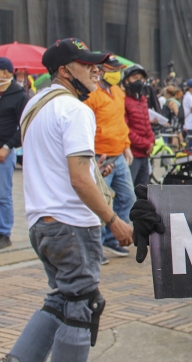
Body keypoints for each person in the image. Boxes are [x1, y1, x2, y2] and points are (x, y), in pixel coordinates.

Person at [8, 39, 133, 362]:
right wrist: (113, 220)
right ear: (64, 71)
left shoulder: (36, 106)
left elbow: (59, 166)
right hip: (72, 225)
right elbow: (79, 179)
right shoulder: (75, 110)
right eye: (86, 64)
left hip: (42, 223)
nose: (96, 70)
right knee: (83, 305)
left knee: (62, 298)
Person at [85, 55, 136, 261]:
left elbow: (121, 122)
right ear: (101, 70)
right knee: (100, 202)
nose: (117, 73)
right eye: (112, 69)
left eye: (118, 69)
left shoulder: (118, 92)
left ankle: (111, 237)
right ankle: (94, 247)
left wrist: (126, 147)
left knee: (127, 197)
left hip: (119, 155)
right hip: (100, 155)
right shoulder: (92, 95)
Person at [0, 58, 29, 250]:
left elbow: (24, 125)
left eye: (5, 71)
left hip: (5, 150)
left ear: (10, 73)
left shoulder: (19, 95)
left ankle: (4, 232)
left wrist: (7, 146)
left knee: (3, 194)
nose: (2, 75)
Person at [123, 65, 156, 187]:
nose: (139, 81)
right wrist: (146, 144)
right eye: (135, 78)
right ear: (126, 80)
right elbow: (126, 129)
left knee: (143, 191)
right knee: (129, 192)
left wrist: (151, 141)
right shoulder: (123, 99)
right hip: (133, 154)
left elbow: (146, 124)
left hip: (145, 154)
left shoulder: (142, 99)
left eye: (141, 78)